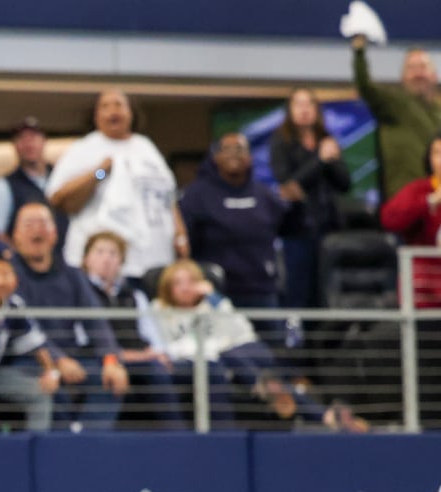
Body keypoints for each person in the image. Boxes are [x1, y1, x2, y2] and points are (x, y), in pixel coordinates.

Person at [151, 259, 362, 432]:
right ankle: (319, 413)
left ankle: (272, 392)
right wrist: (214, 347)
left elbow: (240, 329)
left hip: (245, 349)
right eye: (178, 283)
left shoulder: (213, 304)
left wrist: (213, 297)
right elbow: (167, 345)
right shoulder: (160, 311)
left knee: (231, 355)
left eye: (191, 281)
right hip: (218, 358)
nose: (186, 288)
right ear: (167, 288)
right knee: (228, 358)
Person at [46, 89, 188, 283]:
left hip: (156, 262)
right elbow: (59, 198)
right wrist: (100, 173)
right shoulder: (85, 148)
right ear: (96, 116)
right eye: (105, 106)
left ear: (131, 113)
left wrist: (180, 236)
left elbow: (168, 198)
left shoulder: (145, 146)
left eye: (119, 105)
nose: (113, 111)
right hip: (108, 267)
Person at [10, 201, 128, 430]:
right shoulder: (9, 275)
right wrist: (57, 360)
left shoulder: (72, 274)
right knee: (52, 387)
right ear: (15, 236)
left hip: (72, 354)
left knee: (111, 378)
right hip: (28, 357)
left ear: (54, 233)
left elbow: (95, 320)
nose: (37, 230)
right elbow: (25, 327)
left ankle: (90, 445)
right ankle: (66, 448)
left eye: (43, 223)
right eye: (28, 224)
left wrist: (111, 360)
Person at [181, 133, 301, 314]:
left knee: (272, 341)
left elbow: (289, 229)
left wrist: (296, 205)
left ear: (250, 158)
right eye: (226, 150)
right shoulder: (196, 195)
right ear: (216, 157)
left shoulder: (265, 194)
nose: (234, 155)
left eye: (240, 149)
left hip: (262, 290)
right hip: (216, 293)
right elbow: (185, 239)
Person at [80, 231, 182, 427]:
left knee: (165, 368)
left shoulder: (134, 295)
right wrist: (125, 357)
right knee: (140, 371)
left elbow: (152, 335)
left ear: (121, 261)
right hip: (101, 359)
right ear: (86, 259)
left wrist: (158, 353)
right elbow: (83, 340)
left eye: (113, 253)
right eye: (100, 252)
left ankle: (178, 439)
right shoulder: (81, 292)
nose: (107, 259)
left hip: (140, 358)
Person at [0, 255, 63, 431]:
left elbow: (35, 342)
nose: (1, 281)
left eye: (6, 274)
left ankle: (37, 449)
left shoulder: (15, 306)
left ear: (16, 281)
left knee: (40, 393)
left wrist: (50, 372)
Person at [269, 88, 352, 310]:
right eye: (299, 104)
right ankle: (299, 342)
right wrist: (320, 160)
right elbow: (289, 185)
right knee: (299, 290)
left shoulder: (326, 140)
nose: (305, 110)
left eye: (309, 104)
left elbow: (344, 184)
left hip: (329, 228)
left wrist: (331, 160)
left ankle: (328, 341)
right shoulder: (281, 142)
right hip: (297, 229)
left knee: (327, 291)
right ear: (290, 110)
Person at [351, 34, 441, 201]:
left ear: (434, 75)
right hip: (404, 202)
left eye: (422, 67)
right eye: (412, 68)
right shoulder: (394, 104)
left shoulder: (439, 111)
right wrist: (359, 51)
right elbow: (365, 86)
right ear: (403, 77)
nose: (418, 74)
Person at [380, 133, 441, 308]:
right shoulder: (419, 190)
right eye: (437, 153)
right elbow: (389, 219)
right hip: (424, 293)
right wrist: (428, 202)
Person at [0, 116, 66, 242]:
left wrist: (100, 173)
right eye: (22, 139)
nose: (29, 144)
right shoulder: (2, 186)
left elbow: (99, 176)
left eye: (34, 137)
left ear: (44, 141)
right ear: (14, 145)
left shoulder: (64, 176)